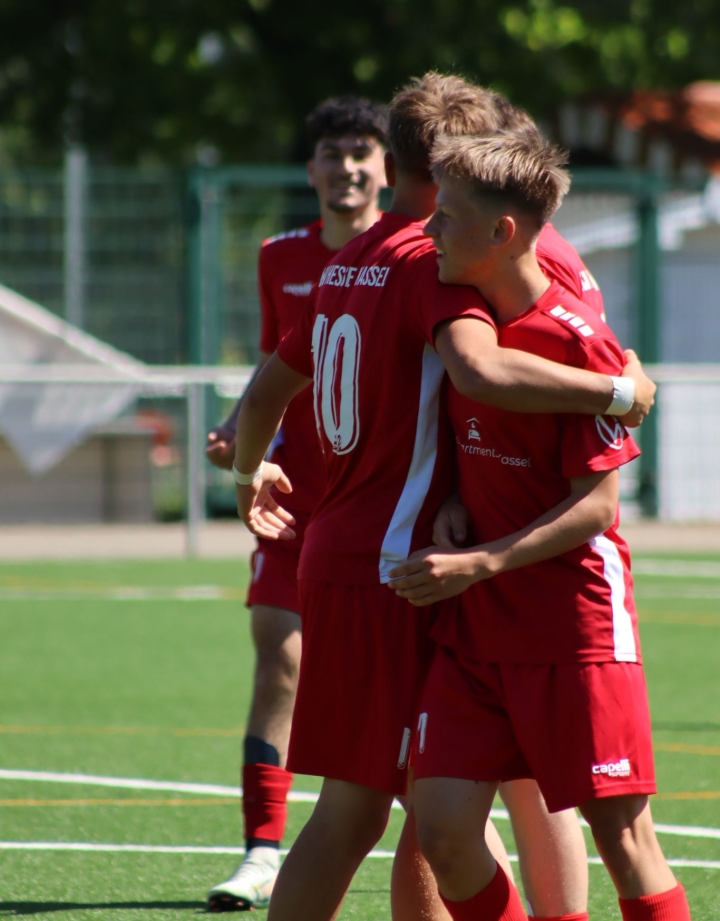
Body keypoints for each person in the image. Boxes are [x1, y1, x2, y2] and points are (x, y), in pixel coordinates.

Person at [232, 73, 656, 921]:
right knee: (444, 803)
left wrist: (251, 471)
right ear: (458, 164)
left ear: (392, 160)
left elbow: (272, 382)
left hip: (342, 551)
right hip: (410, 566)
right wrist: (619, 389)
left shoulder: (347, 259)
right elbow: (478, 369)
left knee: (403, 807)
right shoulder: (436, 263)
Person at [390, 129, 690, 921]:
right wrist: (456, 502)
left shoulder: (579, 345)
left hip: (573, 628)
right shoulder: (471, 326)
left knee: (625, 842)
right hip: (477, 632)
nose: (429, 228)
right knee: (443, 829)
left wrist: (480, 561)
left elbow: (598, 508)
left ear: (502, 232)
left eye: (447, 214)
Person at [205, 95, 388, 911]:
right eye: (332, 153)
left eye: (361, 152)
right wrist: (239, 430)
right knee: (280, 658)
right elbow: (275, 365)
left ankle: (445, 828)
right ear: (310, 168)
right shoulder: (279, 256)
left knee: (398, 684)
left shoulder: (409, 252)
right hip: (291, 498)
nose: (347, 167)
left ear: (386, 167)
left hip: (382, 505)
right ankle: (260, 852)